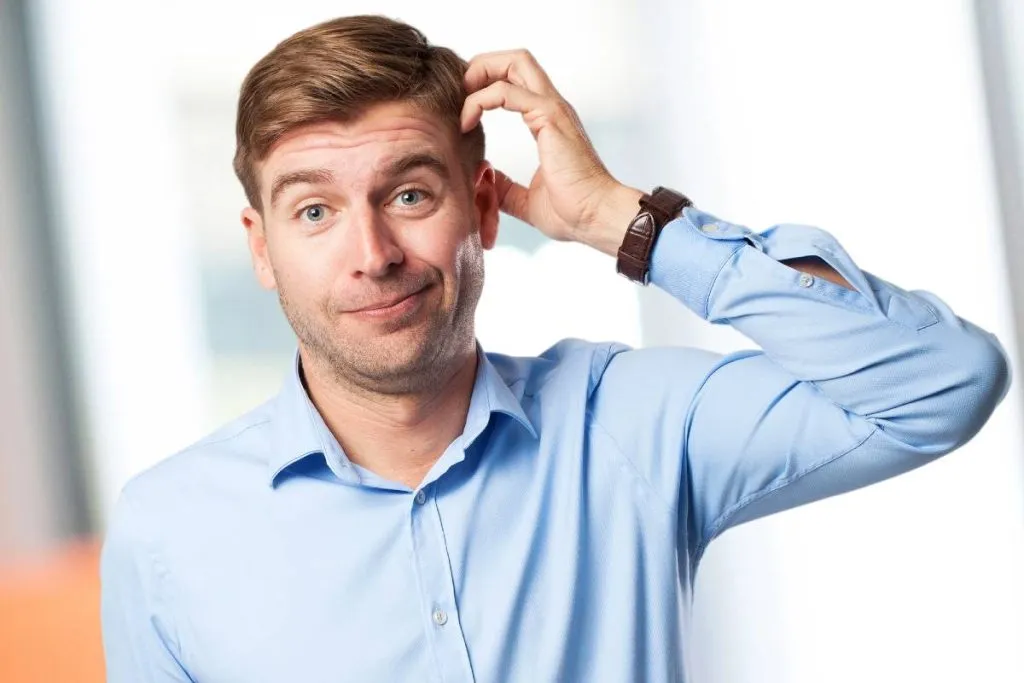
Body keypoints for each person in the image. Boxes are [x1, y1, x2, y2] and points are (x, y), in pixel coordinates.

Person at [100, 14, 1011, 683]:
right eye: (314, 211)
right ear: (261, 248)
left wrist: (626, 221)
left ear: (484, 208)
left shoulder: (629, 425)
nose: (372, 254)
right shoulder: (168, 532)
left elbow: (944, 380)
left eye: (410, 195)